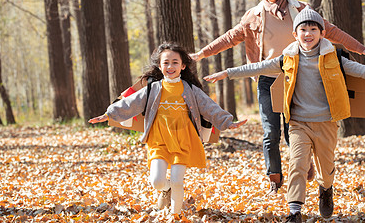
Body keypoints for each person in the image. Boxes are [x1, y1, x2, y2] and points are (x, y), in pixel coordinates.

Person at [203, 6, 365, 222]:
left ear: (322, 33)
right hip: (298, 123)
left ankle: (326, 190)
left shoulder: (335, 58)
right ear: (295, 34)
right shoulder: (286, 59)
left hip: (326, 122)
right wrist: (227, 73)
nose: (308, 33)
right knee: (297, 164)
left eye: (313, 29)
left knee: (326, 168)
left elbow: (363, 71)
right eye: (303, 29)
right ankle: (295, 211)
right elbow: (258, 67)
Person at [190, 0, 365, 195]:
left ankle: (301, 168)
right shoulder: (253, 15)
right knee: (269, 131)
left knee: (291, 130)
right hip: (266, 78)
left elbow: (330, 30)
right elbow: (231, 37)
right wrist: (202, 53)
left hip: (296, 78)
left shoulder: (300, 10)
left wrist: (361, 48)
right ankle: (274, 177)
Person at [89, 42, 247, 217]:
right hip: (159, 140)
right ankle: (166, 188)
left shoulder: (191, 90)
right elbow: (130, 103)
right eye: (166, 62)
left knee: (178, 182)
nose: (170, 66)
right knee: (157, 181)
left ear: (183, 66)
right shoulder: (153, 88)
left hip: (183, 139)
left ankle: (175, 216)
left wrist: (227, 122)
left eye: (175, 62)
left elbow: (209, 107)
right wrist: (108, 114)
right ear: (159, 65)